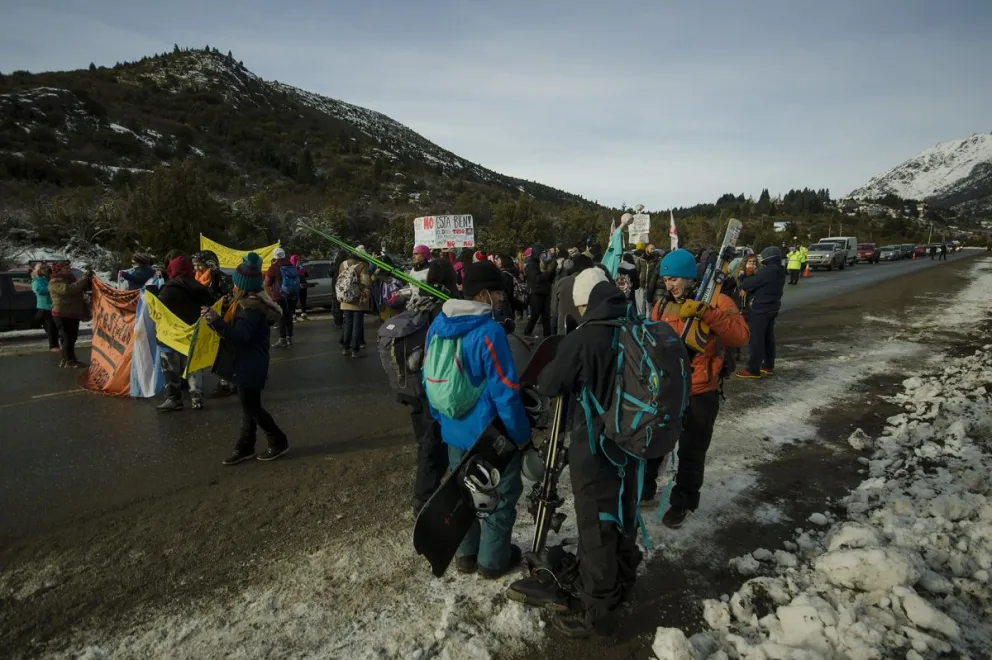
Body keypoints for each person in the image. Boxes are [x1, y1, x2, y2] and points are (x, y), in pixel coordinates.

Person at [530, 267, 641, 639]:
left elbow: (549, 384)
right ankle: (624, 582)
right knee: (623, 515)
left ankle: (599, 617)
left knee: (596, 528)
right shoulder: (636, 326)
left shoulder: (585, 337)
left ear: (586, 303)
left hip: (597, 449)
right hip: (634, 444)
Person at [424, 260, 531, 578]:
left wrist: (441, 419)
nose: (500, 299)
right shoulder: (489, 332)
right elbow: (506, 392)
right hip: (489, 435)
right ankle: (493, 562)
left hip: (453, 430)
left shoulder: (437, 325)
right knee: (499, 496)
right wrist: (521, 437)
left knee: (462, 493)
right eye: (497, 293)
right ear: (483, 294)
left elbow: (428, 377)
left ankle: (466, 555)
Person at [645, 249, 749, 528]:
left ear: (690, 277)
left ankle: (682, 502)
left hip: (701, 390)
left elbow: (740, 336)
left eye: (675, 279)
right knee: (654, 441)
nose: (670, 285)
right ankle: (644, 488)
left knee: (692, 450)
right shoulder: (662, 305)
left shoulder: (718, 300)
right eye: (666, 280)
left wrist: (707, 314)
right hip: (668, 389)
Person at [203, 253, 289, 465]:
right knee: (249, 406)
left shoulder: (249, 308)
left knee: (251, 407)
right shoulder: (252, 302)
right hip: (252, 362)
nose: (233, 286)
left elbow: (240, 337)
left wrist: (216, 322)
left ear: (241, 285)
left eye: (235, 282)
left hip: (249, 364)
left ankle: (277, 440)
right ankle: (246, 445)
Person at [155, 256, 217, 411]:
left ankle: (174, 399)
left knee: (170, 367)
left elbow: (159, 310)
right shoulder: (199, 287)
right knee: (193, 366)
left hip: (172, 336)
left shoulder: (168, 289)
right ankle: (197, 398)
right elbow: (211, 304)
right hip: (194, 334)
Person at [192, 250, 238, 398]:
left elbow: (231, 298)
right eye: (195, 265)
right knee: (215, 353)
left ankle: (227, 384)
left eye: (200, 265)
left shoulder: (221, 278)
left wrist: (221, 303)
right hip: (208, 320)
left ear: (210, 264)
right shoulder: (197, 279)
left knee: (223, 352)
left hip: (222, 320)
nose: (197, 269)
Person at [736, 247, 786, 379]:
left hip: (760, 309)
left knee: (756, 339)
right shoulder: (780, 270)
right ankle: (768, 365)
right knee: (768, 337)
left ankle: (753, 369)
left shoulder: (767, 271)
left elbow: (747, 284)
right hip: (773, 307)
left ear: (768, 257)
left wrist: (744, 275)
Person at [48, 263, 92, 368]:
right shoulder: (55, 281)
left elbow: (80, 287)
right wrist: (83, 280)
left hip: (72, 313)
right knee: (67, 338)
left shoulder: (70, 279)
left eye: (69, 268)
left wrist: (88, 279)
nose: (69, 270)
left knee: (70, 338)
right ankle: (69, 361)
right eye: (66, 268)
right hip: (62, 314)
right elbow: (68, 290)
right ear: (59, 270)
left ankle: (67, 359)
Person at [337, 251, 372, 358]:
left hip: (345, 298)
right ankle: (355, 350)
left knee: (347, 323)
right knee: (357, 324)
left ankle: (345, 347)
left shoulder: (342, 264)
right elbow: (366, 282)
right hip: (357, 300)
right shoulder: (362, 265)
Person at [550, 254, 594, 334]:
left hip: (564, 332)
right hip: (587, 332)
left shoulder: (561, 283)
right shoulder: (594, 283)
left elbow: (554, 310)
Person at [265, 247, 298, 348]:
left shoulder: (274, 267)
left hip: (279, 295)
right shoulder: (291, 265)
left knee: (281, 316)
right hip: (292, 294)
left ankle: (282, 339)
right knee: (289, 316)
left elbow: (267, 282)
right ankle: (289, 338)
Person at [523, 243, 557, 338]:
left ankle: (547, 336)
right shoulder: (531, 265)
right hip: (535, 293)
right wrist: (548, 271)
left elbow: (550, 279)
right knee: (535, 315)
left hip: (545, 292)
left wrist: (552, 269)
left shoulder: (544, 263)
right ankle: (527, 332)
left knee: (546, 316)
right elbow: (537, 279)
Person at [31, 263, 60, 353]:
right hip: (44, 307)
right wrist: (53, 288)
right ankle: (53, 346)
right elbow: (40, 291)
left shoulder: (47, 279)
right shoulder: (37, 281)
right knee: (50, 327)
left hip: (51, 307)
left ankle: (55, 345)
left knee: (54, 327)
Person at [291, 255, 310, 321]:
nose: (298, 261)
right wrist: (296, 267)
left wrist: (304, 270)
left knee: (303, 300)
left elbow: (306, 275)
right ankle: (293, 316)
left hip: (302, 285)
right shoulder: (291, 268)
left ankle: (304, 314)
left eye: (299, 260)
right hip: (295, 286)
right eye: (297, 260)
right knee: (294, 301)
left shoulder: (301, 267)